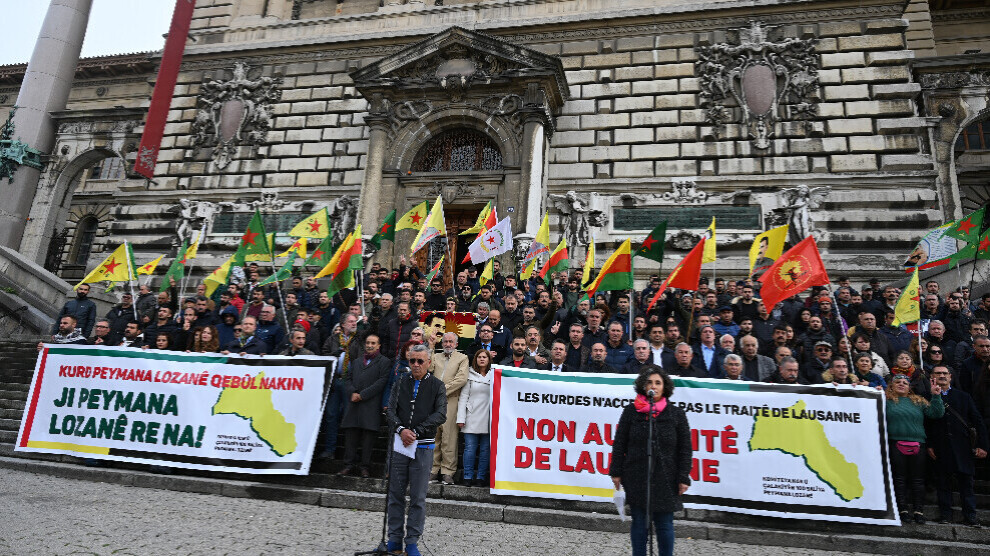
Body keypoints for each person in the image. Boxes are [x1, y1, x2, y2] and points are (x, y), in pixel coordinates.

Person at [610, 366, 691, 556]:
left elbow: (685, 448)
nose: (653, 386)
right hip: (637, 474)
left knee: (664, 523)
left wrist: (683, 476)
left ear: (665, 387)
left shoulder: (676, 414)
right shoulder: (631, 412)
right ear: (642, 386)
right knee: (639, 521)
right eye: (649, 382)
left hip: (666, 476)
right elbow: (620, 442)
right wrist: (616, 471)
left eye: (657, 382)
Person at [384, 344, 447, 556]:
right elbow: (390, 411)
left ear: (429, 362)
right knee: (396, 494)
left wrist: (417, 431)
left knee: (418, 498)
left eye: (421, 361)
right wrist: (402, 430)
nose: (416, 365)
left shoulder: (437, 385)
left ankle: (412, 541)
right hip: (401, 445)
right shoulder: (401, 381)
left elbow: (440, 414)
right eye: (412, 361)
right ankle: (394, 539)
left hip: (423, 446)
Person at [927, 365, 988, 526]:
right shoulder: (927, 397)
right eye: (938, 373)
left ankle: (970, 516)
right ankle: (945, 515)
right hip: (941, 447)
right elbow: (926, 424)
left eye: (944, 373)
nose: (942, 376)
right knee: (943, 484)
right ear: (932, 376)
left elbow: (978, 421)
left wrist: (983, 446)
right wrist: (929, 445)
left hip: (963, 447)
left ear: (950, 377)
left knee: (966, 485)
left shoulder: (963, 397)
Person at [885, 374, 943, 524]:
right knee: (899, 479)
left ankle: (919, 510)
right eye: (898, 382)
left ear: (909, 387)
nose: (902, 384)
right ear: (891, 385)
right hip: (895, 443)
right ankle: (902, 510)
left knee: (918, 480)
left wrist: (936, 395)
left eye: (905, 382)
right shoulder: (885, 401)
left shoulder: (918, 401)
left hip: (918, 445)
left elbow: (936, 413)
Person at [339, 333, 392, 478]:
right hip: (353, 405)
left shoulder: (385, 362)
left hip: (370, 405)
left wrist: (362, 395)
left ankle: (365, 467)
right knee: (350, 437)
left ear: (379, 346)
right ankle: (348, 465)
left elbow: (381, 382)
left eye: (373, 343)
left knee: (368, 440)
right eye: (368, 343)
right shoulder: (356, 362)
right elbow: (347, 378)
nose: (370, 345)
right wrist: (352, 392)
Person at [429, 332, 470, 485]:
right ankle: (433, 470)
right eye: (445, 341)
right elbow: (429, 369)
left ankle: (447, 472)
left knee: (449, 437)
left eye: (451, 342)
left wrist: (441, 390)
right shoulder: (436, 356)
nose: (447, 344)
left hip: (451, 400)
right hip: (433, 402)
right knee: (434, 436)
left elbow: (461, 379)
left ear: (456, 344)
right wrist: (431, 347)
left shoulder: (462, 358)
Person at [457, 349, 493, 487]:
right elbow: (463, 398)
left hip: (488, 417)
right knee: (470, 449)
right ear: (475, 359)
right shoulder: (469, 374)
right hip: (471, 416)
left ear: (489, 359)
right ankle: (467, 476)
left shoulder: (494, 375)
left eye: (485, 357)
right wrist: (461, 418)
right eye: (479, 357)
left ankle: (481, 477)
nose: (482, 359)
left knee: (485, 450)